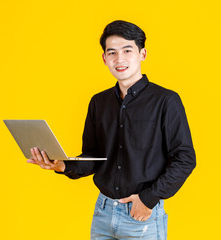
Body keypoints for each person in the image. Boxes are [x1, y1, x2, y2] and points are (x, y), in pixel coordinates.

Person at [27, 20, 196, 240]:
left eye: (127, 50)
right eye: (112, 52)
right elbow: (95, 156)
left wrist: (148, 199)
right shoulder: (99, 102)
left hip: (141, 216)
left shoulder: (166, 101)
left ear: (142, 54)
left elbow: (185, 158)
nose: (120, 59)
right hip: (103, 212)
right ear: (104, 58)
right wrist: (62, 164)